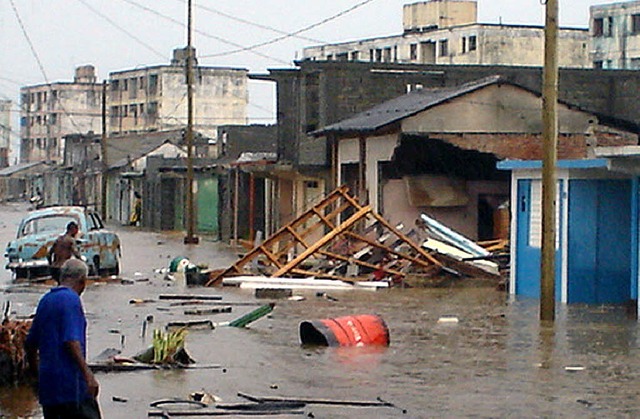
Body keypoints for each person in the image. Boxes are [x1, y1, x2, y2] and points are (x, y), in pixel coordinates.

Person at [25, 258, 101, 419]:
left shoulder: (46, 301)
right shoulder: (71, 300)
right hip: (72, 388)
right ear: (82, 281)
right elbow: (71, 341)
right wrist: (88, 375)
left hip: (49, 391)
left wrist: (36, 376)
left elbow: (30, 344)